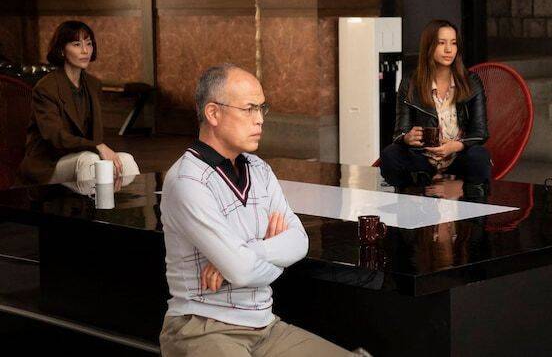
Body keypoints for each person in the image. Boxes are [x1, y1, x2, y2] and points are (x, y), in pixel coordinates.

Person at [159, 64, 360, 356]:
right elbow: (241, 271)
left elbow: (299, 241)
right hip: (202, 327)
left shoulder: (259, 169)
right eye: (249, 109)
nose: (260, 119)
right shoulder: (187, 180)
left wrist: (249, 251)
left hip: (265, 327)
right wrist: (266, 255)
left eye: (261, 108)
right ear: (213, 113)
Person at [379, 19, 492, 198]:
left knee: (479, 156)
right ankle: (421, 191)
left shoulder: (471, 82)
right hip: (423, 158)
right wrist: (408, 137)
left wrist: (454, 146)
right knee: (390, 155)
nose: (449, 49)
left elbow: (480, 132)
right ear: (429, 46)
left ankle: (461, 189)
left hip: (458, 155)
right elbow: (399, 133)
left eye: (453, 43)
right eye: (441, 43)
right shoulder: (410, 83)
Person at [20, 21, 140, 184]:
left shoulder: (93, 84)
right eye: (77, 44)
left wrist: (98, 149)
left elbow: (94, 133)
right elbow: (55, 136)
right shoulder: (46, 88)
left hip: (83, 155)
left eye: (88, 44)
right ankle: (91, 201)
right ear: (62, 50)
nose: (85, 50)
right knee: (89, 161)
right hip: (49, 163)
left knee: (126, 162)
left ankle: (114, 199)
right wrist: (96, 146)